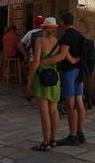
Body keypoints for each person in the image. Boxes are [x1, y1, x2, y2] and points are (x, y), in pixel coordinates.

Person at [39, 12, 85, 146]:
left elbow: (62, 56)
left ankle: (72, 135)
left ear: (63, 22)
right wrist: (75, 60)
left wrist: (44, 61)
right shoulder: (78, 34)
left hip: (69, 72)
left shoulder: (66, 36)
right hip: (79, 71)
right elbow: (75, 54)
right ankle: (80, 132)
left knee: (70, 105)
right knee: (79, 101)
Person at [27, 17, 61, 152]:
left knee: (44, 111)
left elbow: (36, 61)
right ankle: (53, 139)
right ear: (54, 28)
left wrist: (29, 78)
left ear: (44, 28)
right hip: (54, 78)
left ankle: (45, 141)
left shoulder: (40, 41)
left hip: (42, 77)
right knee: (54, 109)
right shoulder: (58, 42)